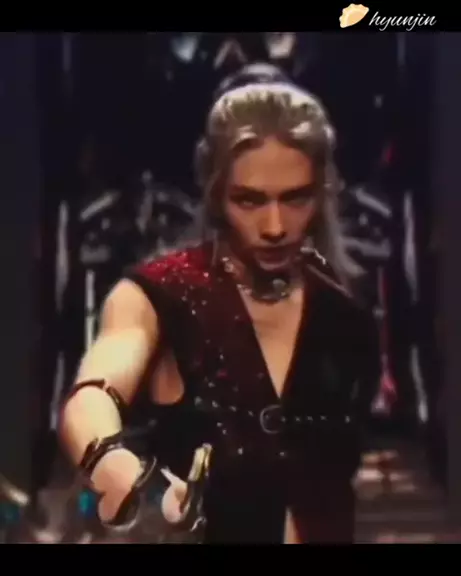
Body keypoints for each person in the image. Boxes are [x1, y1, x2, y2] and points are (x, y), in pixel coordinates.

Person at [59, 66, 379, 544]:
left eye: (295, 199)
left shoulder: (344, 318)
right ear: (215, 194)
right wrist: (107, 457)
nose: (275, 227)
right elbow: (94, 393)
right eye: (249, 201)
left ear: (322, 192)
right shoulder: (160, 295)